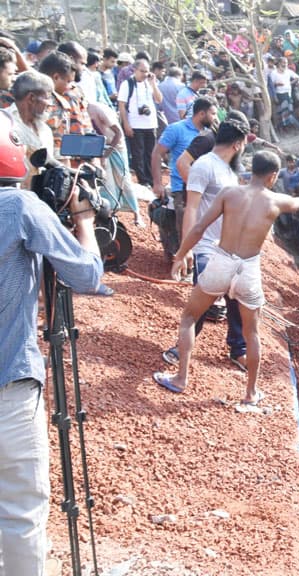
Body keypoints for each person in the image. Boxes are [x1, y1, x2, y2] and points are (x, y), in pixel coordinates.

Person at [154, 151, 299, 404]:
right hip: (249, 268)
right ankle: (251, 393)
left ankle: (180, 378)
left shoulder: (229, 193)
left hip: (221, 261)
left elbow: (199, 228)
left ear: (251, 170)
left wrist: (180, 255)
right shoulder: (275, 201)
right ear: (273, 176)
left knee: (190, 317)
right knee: (251, 333)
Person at [0, 109, 104, 576]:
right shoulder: (21, 208)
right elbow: (87, 275)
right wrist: (81, 218)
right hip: (10, 388)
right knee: (21, 513)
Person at [151, 96, 218, 258]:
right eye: (213, 114)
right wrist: (158, 183)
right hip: (182, 187)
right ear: (201, 114)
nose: (216, 118)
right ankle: (183, 262)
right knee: (186, 226)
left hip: (206, 188)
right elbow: (156, 153)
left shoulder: (211, 133)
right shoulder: (176, 129)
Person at [117, 58, 162, 188]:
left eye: (147, 71)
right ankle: (143, 180)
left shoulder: (150, 82)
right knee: (138, 153)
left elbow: (159, 100)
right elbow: (122, 105)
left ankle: (150, 178)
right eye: (142, 71)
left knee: (151, 153)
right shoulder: (128, 84)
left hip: (151, 123)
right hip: (135, 124)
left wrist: (153, 83)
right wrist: (126, 124)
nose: (144, 74)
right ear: (134, 70)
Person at [9, 71, 54, 188]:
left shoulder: (45, 130)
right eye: (48, 98)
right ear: (32, 98)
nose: (51, 104)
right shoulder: (5, 124)